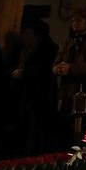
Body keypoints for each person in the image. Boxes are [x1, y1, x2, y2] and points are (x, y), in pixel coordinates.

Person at [53, 6, 86, 138]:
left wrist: (72, 68)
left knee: (85, 123)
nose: (75, 24)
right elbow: (60, 57)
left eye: (79, 21)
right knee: (66, 123)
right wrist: (56, 67)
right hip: (68, 89)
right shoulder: (70, 39)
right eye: (73, 21)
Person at [10, 17, 58, 154]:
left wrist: (25, 73)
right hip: (25, 99)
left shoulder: (47, 51)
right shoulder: (23, 50)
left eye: (27, 34)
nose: (23, 37)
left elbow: (44, 71)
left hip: (40, 98)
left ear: (37, 37)